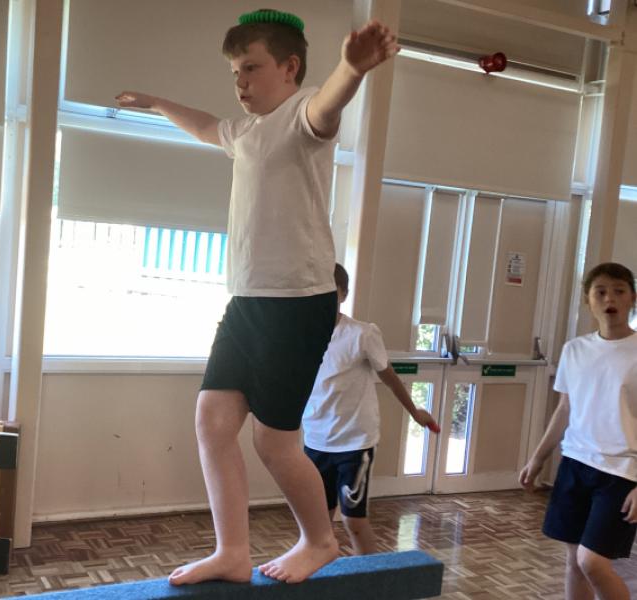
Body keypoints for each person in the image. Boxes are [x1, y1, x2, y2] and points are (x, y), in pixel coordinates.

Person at [116, 9, 398, 585]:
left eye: (251, 68)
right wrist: (158, 103)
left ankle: (320, 541)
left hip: (297, 301)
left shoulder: (303, 114)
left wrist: (351, 68)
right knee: (212, 419)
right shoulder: (244, 132)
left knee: (274, 442)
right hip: (246, 300)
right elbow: (205, 126)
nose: (240, 82)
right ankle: (232, 551)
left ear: (289, 68)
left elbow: (329, 107)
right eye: (234, 72)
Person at [302, 263, 439, 556]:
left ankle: (372, 574)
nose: (322, 299)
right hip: (315, 441)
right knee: (318, 523)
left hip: (354, 444)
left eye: (330, 291)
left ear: (343, 294)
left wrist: (415, 412)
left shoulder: (362, 334)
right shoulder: (301, 335)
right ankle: (320, 574)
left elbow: (390, 378)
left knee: (353, 521)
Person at [520, 262, 637, 600]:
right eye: (600, 292)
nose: (609, 298)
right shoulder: (574, 349)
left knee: (592, 562)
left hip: (622, 472)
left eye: (619, 291)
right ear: (588, 301)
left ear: (632, 298)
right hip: (575, 464)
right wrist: (537, 459)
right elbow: (565, 409)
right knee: (574, 562)